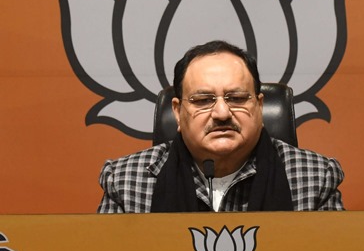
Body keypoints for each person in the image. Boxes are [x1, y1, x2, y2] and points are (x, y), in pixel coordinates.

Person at [98, 40, 344, 212]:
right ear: (177, 111)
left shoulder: (315, 178)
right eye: (203, 101)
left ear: (259, 106)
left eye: (236, 98)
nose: (222, 113)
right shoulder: (125, 182)